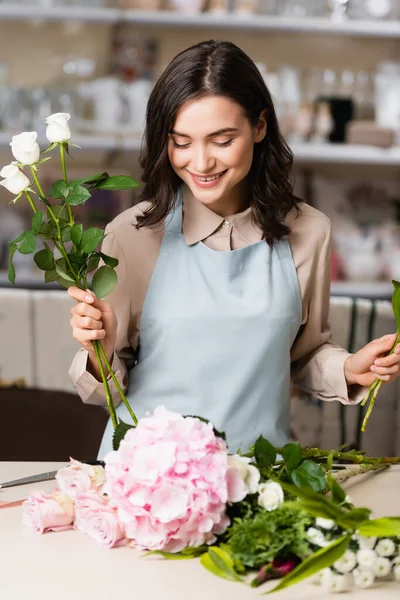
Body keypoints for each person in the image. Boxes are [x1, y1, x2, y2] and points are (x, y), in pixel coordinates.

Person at [68, 40, 400, 458]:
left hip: (262, 483)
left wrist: (350, 369)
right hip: (148, 484)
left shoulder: (310, 231)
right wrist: (98, 349)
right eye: (181, 142)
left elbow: (304, 353)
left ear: (260, 126)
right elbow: (105, 393)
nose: (201, 162)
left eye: (222, 140)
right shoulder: (131, 236)